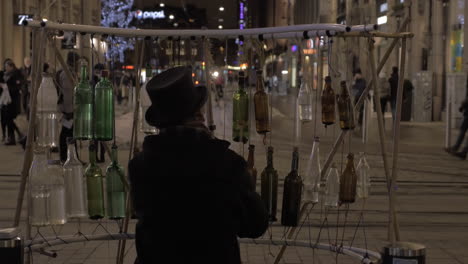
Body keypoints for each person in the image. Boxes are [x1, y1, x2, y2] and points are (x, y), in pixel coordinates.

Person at [129, 66, 268, 264]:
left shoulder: (140, 167)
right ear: (199, 117)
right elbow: (255, 225)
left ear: (160, 123)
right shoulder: (225, 163)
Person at [57, 52, 80, 162]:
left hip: (70, 108)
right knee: (67, 133)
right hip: (68, 109)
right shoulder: (67, 74)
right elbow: (67, 93)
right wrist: (69, 111)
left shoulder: (71, 72)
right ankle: (66, 157)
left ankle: (72, 157)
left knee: (69, 133)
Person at [3, 60, 24, 145]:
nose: (5, 68)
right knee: (8, 119)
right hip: (7, 100)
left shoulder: (16, 74)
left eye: (7, 66)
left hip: (13, 101)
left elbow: (17, 87)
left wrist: (6, 87)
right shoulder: (6, 75)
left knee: (9, 119)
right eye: (5, 66)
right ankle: (12, 138)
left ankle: (17, 135)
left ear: (11, 66)